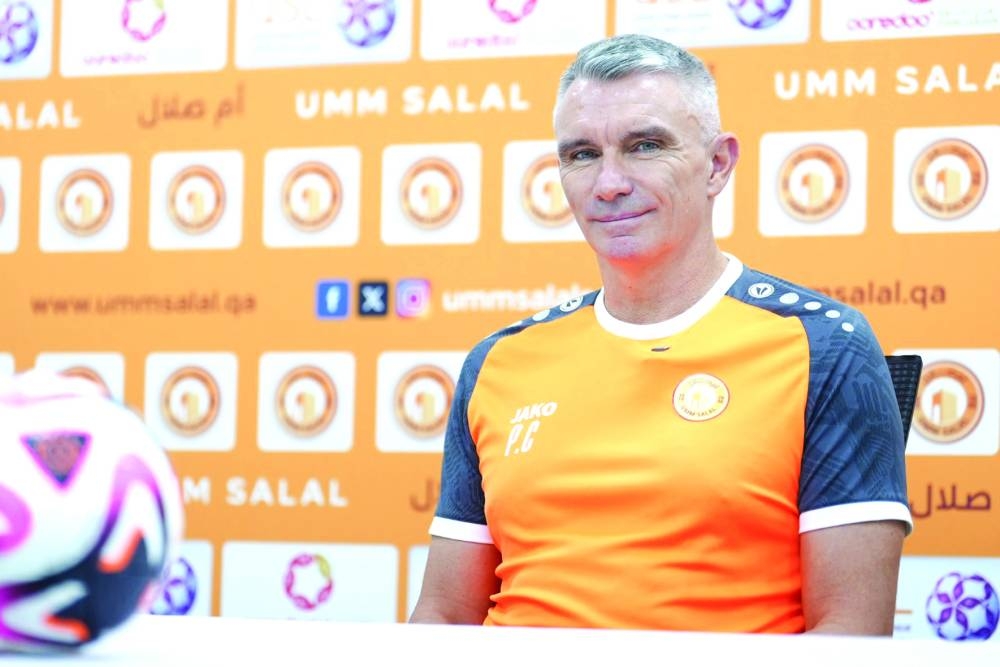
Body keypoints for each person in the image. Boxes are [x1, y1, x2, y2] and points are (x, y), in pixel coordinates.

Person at [409, 33, 911, 635]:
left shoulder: (824, 345)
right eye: (581, 154)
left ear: (718, 164)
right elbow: (442, 615)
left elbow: (851, 636)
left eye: (645, 146)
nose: (609, 183)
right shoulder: (498, 362)